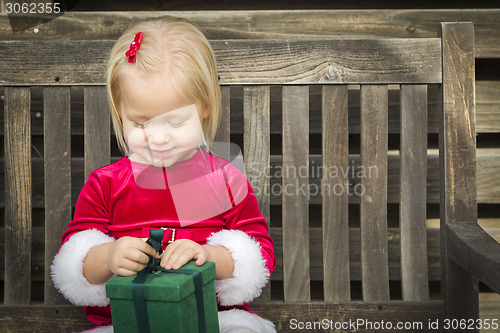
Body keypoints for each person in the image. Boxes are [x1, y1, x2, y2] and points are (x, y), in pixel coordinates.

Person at [51, 15, 276, 333]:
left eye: (175, 123)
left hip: (213, 320)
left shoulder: (223, 179)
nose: (157, 138)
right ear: (119, 110)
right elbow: (75, 263)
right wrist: (109, 255)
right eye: (140, 123)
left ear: (205, 107)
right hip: (126, 321)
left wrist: (209, 255)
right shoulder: (106, 184)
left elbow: (261, 254)